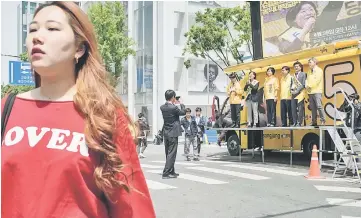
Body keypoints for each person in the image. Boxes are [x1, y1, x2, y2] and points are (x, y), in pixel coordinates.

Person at [1, 2, 155, 217]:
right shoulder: (6, 109)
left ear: (79, 48)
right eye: (33, 29)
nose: (37, 37)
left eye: (52, 28)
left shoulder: (103, 115)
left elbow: (132, 207)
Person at [160, 90, 186, 179]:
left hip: (166, 132)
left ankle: (171, 171)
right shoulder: (173, 108)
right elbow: (183, 112)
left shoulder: (162, 107)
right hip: (173, 133)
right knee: (172, 153)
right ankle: (166, 172)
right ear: (173, 97)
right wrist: (181, 103)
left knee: (168, 153)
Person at [305, 57, 326, 126]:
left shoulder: (319, 70)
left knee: (319, 106)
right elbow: (307, 80)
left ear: (315, 62)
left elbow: (317, 81)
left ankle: (323, 120)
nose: (309, 64)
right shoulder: (308, 71)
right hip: (310, 92)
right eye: (308, 62)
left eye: (310, 62)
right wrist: (307, 86)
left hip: (317, 91)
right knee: (313, 108)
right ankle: (314, 122)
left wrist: (309, 86)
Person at [291, 61, 306, 126]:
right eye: (295, 67)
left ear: (300, 67)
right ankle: (294, 122)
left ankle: (299, 122)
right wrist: (291, 90)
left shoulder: (303, 74)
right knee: (293, 108)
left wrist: (297, 90)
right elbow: (291, 85)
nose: (296, 68)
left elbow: (303, 84)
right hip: (293, 94)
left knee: (300, 109)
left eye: (297, 66)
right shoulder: (293, 76)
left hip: (300, 93)